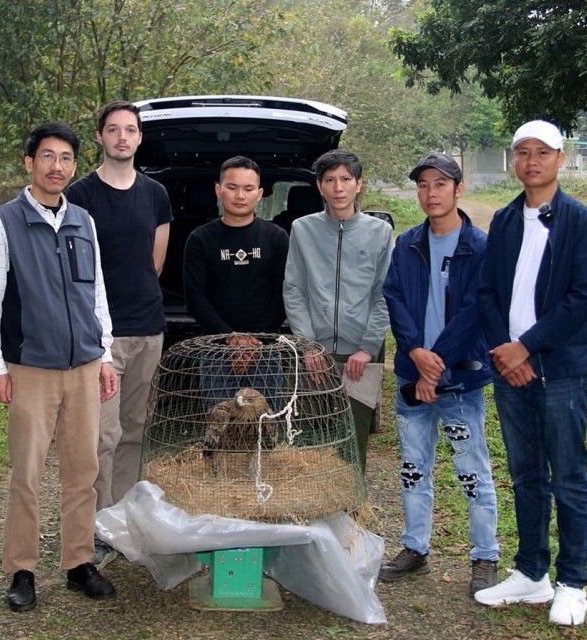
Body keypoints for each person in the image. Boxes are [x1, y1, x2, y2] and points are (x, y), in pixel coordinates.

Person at [0, 122, 120, 613]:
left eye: (65, 159)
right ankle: (22, 570)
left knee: (84, 469)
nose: (56, 167)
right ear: (29, 162)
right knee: (28, 473)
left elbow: (96, 291)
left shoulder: (84, 219)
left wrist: (104, 353)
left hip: (83, 364)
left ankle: (79, 563)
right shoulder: (2, 223)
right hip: (30, 367)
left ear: (74, 166)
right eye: (47, 157)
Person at [473, 120, 587, 626]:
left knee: (568, 477)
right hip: (511, 372)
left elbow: (583, 298)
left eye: (542, 152)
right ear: (513, 160)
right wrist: (504, 352)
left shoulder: (581, 221)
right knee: (526, 474)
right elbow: (486, 293)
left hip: (560, 371)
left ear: (560, 159)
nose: (531, 161)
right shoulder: (506, 221)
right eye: (522, 152)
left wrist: (526, 347)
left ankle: (573, 582)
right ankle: (531, 572)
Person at [379, 152, 499, 594]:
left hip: (460, 380)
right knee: (413, 468)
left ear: (458, 189)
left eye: (440, 184)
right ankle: (415, 547)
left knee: (472, 471)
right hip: (414, 376)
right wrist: (415, 351)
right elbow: (395, 299)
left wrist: (437, 362)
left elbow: (475, 312)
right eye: (424, 185)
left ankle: (485, 556)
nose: (431, 193)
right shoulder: (408, 243)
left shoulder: (481, 246)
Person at [65, 101, 172, 569]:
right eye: (114, 130)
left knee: (135, 431)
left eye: (130, 130)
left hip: (148, 329)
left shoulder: (156, 194)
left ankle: (127, 520)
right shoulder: (81, 195)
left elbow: (155, 263)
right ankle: (98, 527)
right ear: (100, 137)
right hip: (100, 338)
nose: (122, 137)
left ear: (140, 138)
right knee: (101, 436)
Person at [282, 150, 392, 472]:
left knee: (352, 448)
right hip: (311, 356)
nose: (338, 187)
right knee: (307, 448)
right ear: (319, 186)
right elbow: (294, 289)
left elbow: (384, 294)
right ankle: (309, 520)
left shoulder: (379, 232)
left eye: (346, 179)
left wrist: (367, 348)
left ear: (359, 184)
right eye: (330, 180)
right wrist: (307, 344)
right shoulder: (303, 229)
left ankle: (350, 517)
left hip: (358, 357)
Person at [183, 155, 289, 404]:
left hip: (265, 349)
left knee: (265, 425)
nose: (240, 195)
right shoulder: (200, 239)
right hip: (216, 349)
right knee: (221, 425)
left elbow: (283, 292)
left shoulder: (276, 238)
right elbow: (195, 296)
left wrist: (255, 340)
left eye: (248, 188)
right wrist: (230, 337)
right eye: (232, 187)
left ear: (260, 193)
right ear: (219, 190)